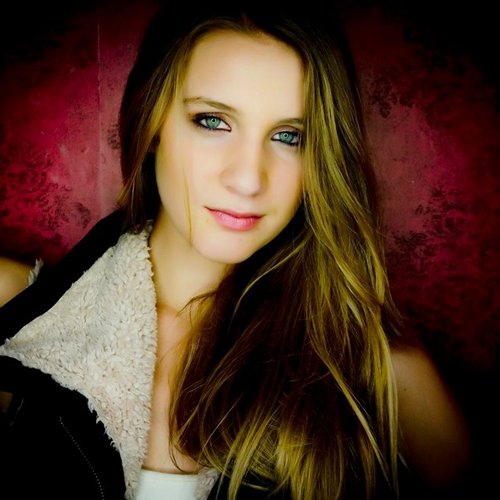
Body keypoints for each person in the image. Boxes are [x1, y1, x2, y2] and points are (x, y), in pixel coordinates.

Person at [0, 3, 472, 499]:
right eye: (212, 121)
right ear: (152, 122)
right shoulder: (17, 311)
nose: (248, 179)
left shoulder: (372, 360)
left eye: (289, 136)